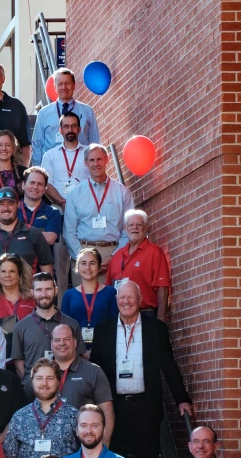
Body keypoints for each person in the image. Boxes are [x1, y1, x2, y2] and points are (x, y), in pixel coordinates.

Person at [89, 281, 193, 458]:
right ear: (116, 301)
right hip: (114, 409)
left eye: (131, 297)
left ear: (140, 299)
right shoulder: (103, 331)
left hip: (145, 406)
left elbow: (168, 364)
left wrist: (182, 398)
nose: (126, 302)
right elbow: (96, 372)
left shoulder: (156, 329)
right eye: (122, 298)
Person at [2, 359, 81, 458]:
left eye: (50, 378)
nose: (44, 383)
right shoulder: (19, 417)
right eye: (39, 378)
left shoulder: (74, 416)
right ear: (32, 382)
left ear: (59, 382)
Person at [61, 144, 135, 278]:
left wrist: (115, 256)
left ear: (107, 160)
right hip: (83, 254)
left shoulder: (123, 193)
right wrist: (84, 259)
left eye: (99, 159)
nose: (96, 164)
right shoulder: (75, 195)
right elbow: (69, 232)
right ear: (85, 163)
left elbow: (128, 229)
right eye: (91, 160)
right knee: (84, 299)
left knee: (115, 298)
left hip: (114, 253)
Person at [0, 187, 53, 292]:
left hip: (26, 298)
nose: (6, 208)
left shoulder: (33, 233)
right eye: (1, 204)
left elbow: (47, 269)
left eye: (10, 203)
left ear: (18, 205)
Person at [9, 272, 86, 380]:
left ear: (56, 290)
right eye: (39, 290)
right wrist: (36, 384)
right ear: (32, 293)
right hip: (33, 390)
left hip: (67, 387)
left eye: (48, 289)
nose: (44, 294)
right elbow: (19, 364)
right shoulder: (21, 326)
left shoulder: (72, 324)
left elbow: (80, 358)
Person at [105, 209, 170, 319]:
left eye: (139, 225)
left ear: (145, 228)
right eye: (131, 225)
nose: (134, 228)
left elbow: (162, 287)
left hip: (146, 314)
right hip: (119, 315)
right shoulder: (117, 256)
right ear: (125, 228)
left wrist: (161, 320)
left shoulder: (155, 252)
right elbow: (109, 289)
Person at [30, 68, 101, 166]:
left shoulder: (87, 111)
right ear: (55, 87)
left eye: (67, 83)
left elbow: (95, 143)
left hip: (81, 166)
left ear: (74, 85)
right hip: (52, 168)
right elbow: (37, 145)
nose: (64, 87)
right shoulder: (44, 113)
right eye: (60, 84)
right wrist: (40, 172)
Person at [50, 325, 115, 429]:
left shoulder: (93, 371)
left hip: (84, 442)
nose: (62, 343)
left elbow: (107, 412)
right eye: (57, 340)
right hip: (50, 442)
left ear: (75, 342)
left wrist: (104, 444)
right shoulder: (42, 373)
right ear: (51, 344)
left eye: (67, 339)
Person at [60, 247, 119, 346]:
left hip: (104, 349)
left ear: (99, 267)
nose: (87, 267)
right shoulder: (69, 295)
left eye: (92, 263)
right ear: (78, 267)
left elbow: (114, 325)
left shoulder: (110, 292)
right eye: (83, 263)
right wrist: (81, 351)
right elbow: (65, 328)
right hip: (75, 352)